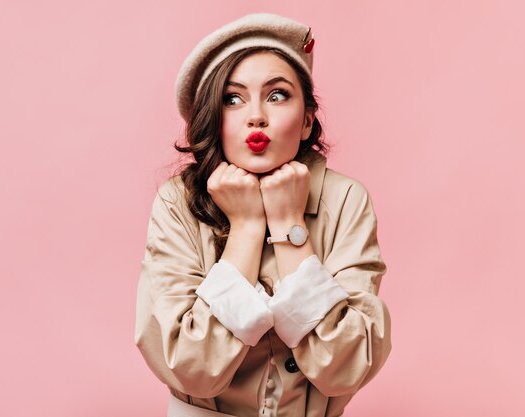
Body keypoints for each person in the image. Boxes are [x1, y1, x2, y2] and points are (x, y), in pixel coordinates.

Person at [134, 13, 392, 417]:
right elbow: (188, 366)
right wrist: (247, 228)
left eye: (277, 95)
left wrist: (290, 227)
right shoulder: (178, 202)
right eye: (232, 99)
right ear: (213, 121)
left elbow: (346, 367)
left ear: (307, 120)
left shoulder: (344, 199)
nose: (257, 116)